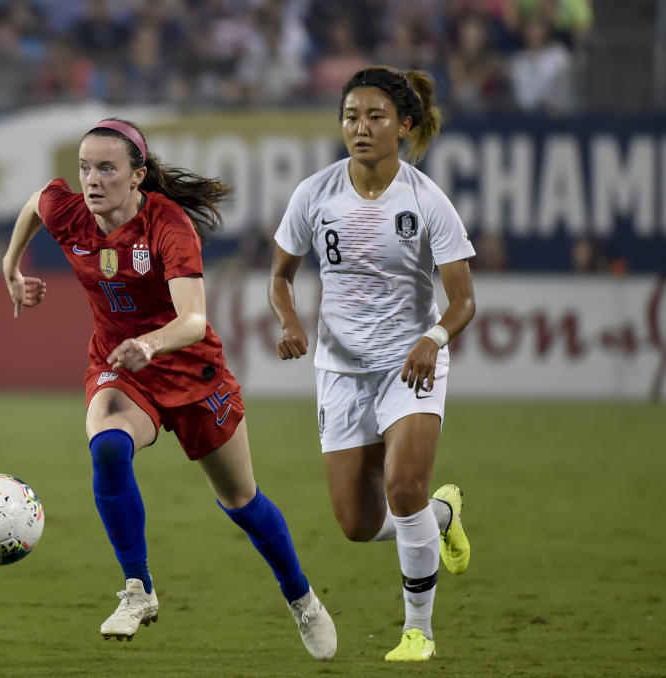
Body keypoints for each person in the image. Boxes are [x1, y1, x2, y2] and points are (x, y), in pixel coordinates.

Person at [2, 118, 337, 659]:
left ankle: (300, 597)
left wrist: (151, 345)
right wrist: (10, 264)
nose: (91, 179)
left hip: (189, 371)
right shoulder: (69, 213)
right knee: (109, 446)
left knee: (242, 501)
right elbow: (36, 202)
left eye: (107, 168)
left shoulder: (167, 224)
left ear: (137, 177)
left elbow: (194, 322)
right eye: (84, 167)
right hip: (120, 366)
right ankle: (138, 589)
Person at [267, 65, 477, 662]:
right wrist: (288, 320)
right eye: (351, 116)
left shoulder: (426, 201)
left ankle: (419, 632)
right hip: (339, 372)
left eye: (375, 117)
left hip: (409, 365)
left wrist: (432, 338)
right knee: (357, 524)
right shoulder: (314, 193)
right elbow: (279, 276)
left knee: (403, 485)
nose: (360, 128)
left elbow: (463, 300)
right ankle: (441, 516)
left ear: (404, 126)